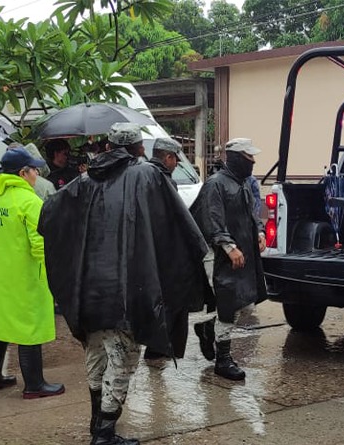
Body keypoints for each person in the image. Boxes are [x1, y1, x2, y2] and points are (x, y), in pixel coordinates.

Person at [38, 123, 210, 445]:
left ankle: (96, 424)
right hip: (124, 294)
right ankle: (104, 433)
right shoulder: (146, 175)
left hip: (86, 293)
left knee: (97, 358)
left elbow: (47, 216)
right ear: (138, 148)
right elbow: (180, 227)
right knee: (123, 362)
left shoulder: (84, 180)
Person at [0, 147, 65, 399]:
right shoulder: (29, 201)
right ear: (23, 173)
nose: (37, 173)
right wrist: (52, 270)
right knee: (29, 328)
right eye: (35, 169)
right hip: (26, 276)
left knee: (0, 326)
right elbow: (40, 242)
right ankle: (35, 385)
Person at [190, 138, 268, 381]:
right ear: (235, 157)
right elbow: (212, 220)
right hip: (220, 256)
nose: (253, 161)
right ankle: (223, 359)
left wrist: (259, 232)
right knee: (229, 304)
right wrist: (229, 246)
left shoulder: (243, 183)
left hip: (241, 254)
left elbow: (250, 213)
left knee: (244, 303)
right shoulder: (216, 184)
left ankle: (208, 328)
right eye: (249, 157)